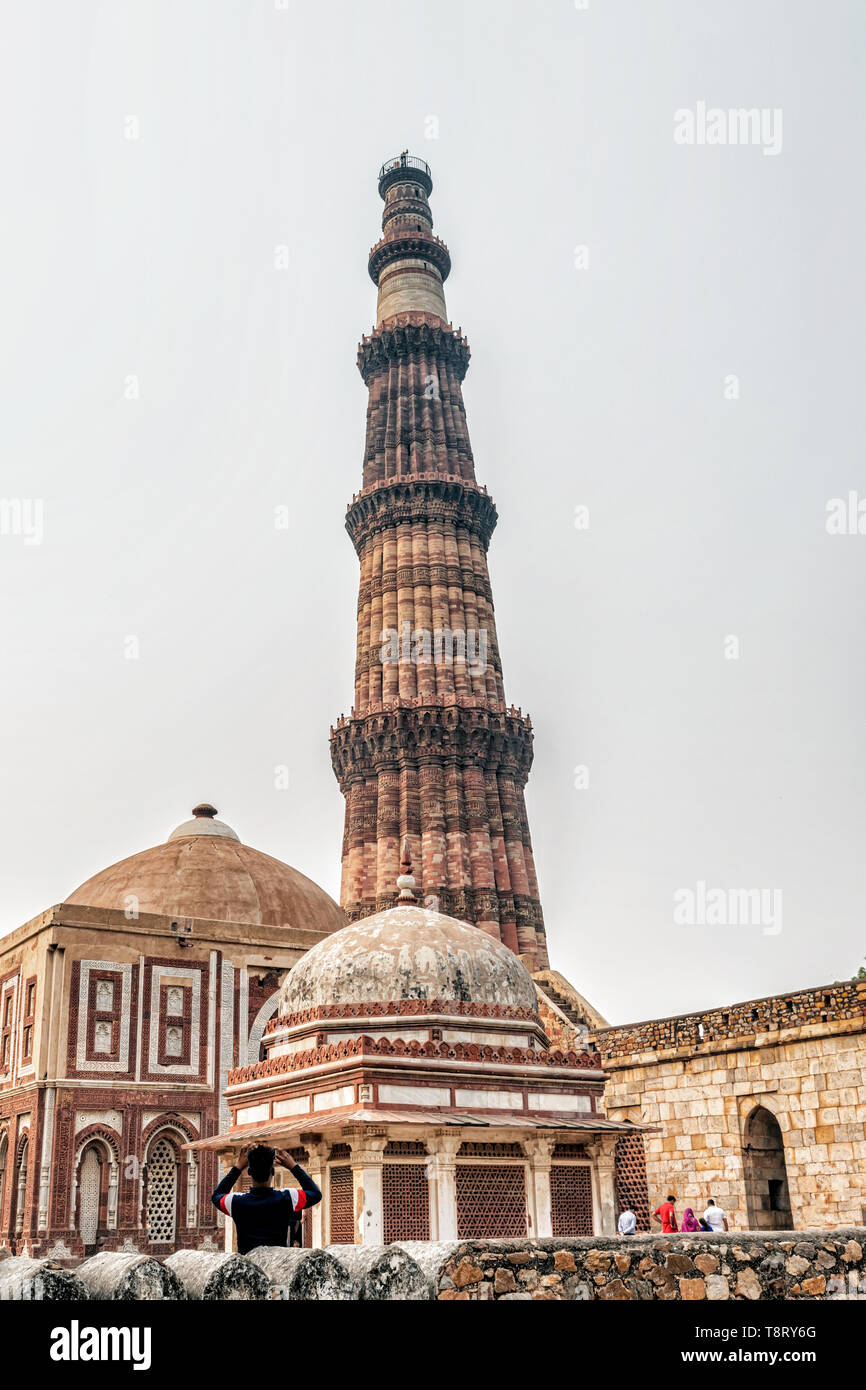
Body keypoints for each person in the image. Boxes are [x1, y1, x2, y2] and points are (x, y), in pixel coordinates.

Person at [211, 1143, 321, 1255]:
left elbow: (216, 1196)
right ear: (273, 1172)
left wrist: (238, 1167)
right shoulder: (287, 1198)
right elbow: (315, 1194)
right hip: (275, 1265)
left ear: (249, 1172)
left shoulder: (236, 1202)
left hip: (248, 1269)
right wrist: (293, 1166)